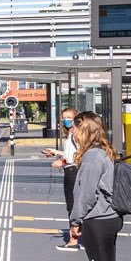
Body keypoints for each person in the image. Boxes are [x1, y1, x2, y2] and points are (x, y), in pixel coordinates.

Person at [67, 112, 123, 261]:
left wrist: (75, 221)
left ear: (85, 130)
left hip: (98, 220)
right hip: (109, 218)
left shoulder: (91, 157)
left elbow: (85, 194)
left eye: (76, 128)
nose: (72, 132)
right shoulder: (104, 151)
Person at [42, 107, 82, 251]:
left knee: (72, 206)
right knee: (75, 206)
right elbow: (70, 154)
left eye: (69, 118)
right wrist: (55, 152)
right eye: (64, 117)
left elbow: (78, 156)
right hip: (72, 170)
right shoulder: (72, 134)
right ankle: (78, 238)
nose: (66, 120)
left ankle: (73, 241)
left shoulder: (77, 134)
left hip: (73, 172)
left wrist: (63, 162)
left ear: (77, 118)